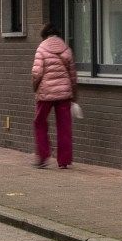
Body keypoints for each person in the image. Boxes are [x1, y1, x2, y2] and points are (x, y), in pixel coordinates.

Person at [29, 22, 77, 170]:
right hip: (64, 94)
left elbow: (37, 73)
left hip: (46, 94)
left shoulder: (41, 49)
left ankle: (43, 156)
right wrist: (74, 93)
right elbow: (73, 75)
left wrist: (35, 87)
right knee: (64, 126)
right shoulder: (66, 49)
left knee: (40, 122)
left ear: (44, 35)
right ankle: (64, 160)